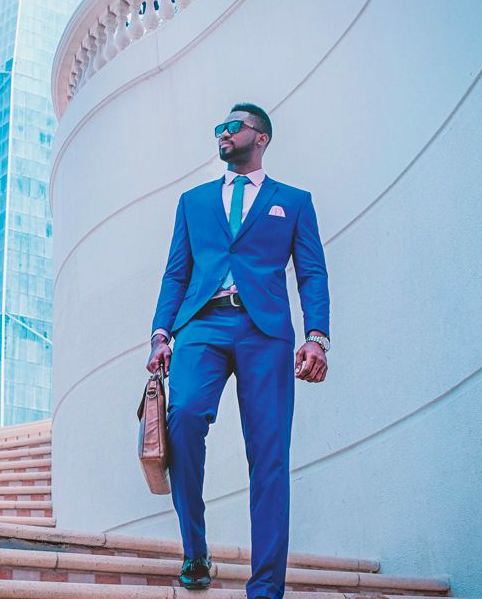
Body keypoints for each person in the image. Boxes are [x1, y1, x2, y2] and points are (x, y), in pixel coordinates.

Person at [146, 103, 330, 598]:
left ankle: (266, 587)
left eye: (234, 127)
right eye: (219, 129)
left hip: (264, 332)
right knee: (182, 418)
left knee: (269, 455)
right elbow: (175, 273)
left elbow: (311, 272)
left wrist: (317, 337)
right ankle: (196, 551)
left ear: (261, 137)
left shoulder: (293, 202)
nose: (223, 134)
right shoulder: (194, 201)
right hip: (202, 325)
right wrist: (161, 334)